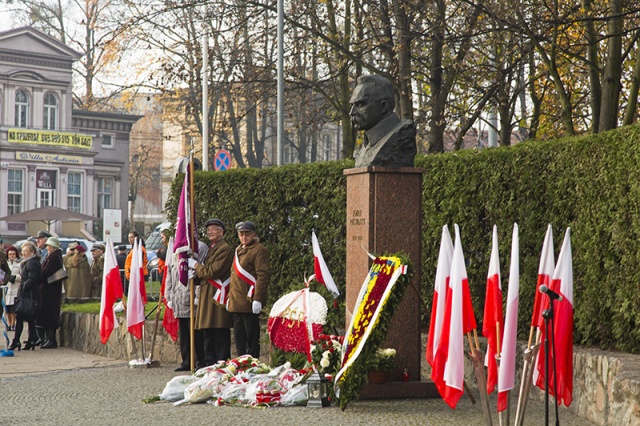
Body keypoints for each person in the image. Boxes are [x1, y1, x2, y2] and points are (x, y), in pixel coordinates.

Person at [188, 218, 234, 365]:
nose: (209, 231)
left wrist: (196, 266)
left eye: (213, 229)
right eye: (208, 229)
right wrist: (193, 278)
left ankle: (221, 364)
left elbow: (212, 272)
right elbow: (205, 274)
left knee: (219, 332)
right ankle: (209, 364)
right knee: (208, 333)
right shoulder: (213, 248)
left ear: (221, 232)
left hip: (216, 296)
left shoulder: (225, 249)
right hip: (207, 296)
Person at [350, 74, 417, 168]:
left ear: (383, 106)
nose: (352, 112)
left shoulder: (401, 133)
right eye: (352, 105)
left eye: (360, 104)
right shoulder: (366, 144)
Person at [227, 221, 271, 358]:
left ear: (253, 234)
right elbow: (233, 276)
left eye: (247, 234)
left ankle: (253, 365)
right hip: (236, 301)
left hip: (249, 301)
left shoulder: (259, 250)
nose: (244, 237)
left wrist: (257, 299)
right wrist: (229, 297)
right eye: (241, 234)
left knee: (251, 339)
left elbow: (262, 275)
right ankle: (241, 365)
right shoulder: (238, 250)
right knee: (239, 339)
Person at [167, 239, 208, 371]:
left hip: (190, 300)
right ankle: (186, 362)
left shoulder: (195, 253)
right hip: (178, 300)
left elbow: (198, 278)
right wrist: (169, 297)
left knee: (196, 334)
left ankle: (200, 361)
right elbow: (169, 278)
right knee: (184, 335)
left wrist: (197, 296)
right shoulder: (174, 256)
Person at [9, 241, 41, 351]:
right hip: (27, 294)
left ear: (32, 252)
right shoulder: (28, 262)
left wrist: (24, 286)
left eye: (26, 251)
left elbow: (33, 278)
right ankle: (30, 339)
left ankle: (17, 340)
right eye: (22, 251)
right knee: (29, 319)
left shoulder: (32, 262)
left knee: (21, 317)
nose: (23, 253)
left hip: (28, 295)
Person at [39, 237, 66, 349]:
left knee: (50, 313)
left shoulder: (54, 257)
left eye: (48, 246)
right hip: (49, 289)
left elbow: (46, 272)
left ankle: (51, 339)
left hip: (51, 289)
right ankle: (48, 338)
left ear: (52, 247)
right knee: (47, 313)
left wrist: (40, 275)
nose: (47, 247)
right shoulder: (52, 256)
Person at [5, 245, 21, 331]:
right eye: (10, 254)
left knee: (13, 309)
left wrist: (15, 277)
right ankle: (9, 323)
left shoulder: (19, 264)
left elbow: (21, 275)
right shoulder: (5, 264)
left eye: (13, 254)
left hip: (15, 288)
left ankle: (13, 324)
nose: (11, 256)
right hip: (7, 288)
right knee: (7, 309)